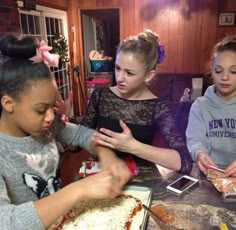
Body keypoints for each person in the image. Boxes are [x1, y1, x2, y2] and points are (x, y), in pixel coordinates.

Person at [0, 34, 131, 230]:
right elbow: (6, 221)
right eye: (40, 109)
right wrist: (78, 189)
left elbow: (83, 134)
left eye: (52, 107)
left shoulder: (46, 127)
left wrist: (106, 155)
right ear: (8, 103)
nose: (51, 117)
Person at [80, 29, 193, 174]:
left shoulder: (157, 107)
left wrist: (133, 147)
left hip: (141, 181)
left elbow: (184, 162)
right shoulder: (101, 96)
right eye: (117, 68)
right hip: (104, 178)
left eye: (129, 73)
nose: (120, 77)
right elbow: (78, 140)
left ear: (148, 75)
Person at [186, 35, 236, 177]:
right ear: (211, 71)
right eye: (219, 71)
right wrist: (199, 154)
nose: (225, 77)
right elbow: (195, 140)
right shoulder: (200, 106)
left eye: (233, 71)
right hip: (210, 175)